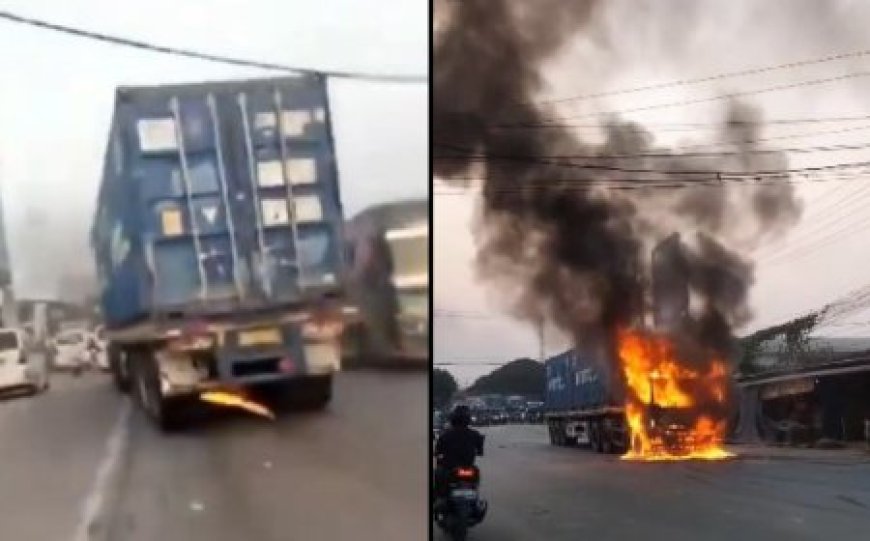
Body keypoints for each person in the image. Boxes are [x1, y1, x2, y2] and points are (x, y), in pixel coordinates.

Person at [433, 405, 485, 505]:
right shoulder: (475, 434)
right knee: (476, 473)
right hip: (468, 467)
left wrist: (438, 454)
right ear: (468, 420)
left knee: (438, 473)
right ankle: (475, 499)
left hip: (449, 468)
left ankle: (440, 498)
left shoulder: (446, 435)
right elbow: (480, 451)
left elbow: (437, 451)